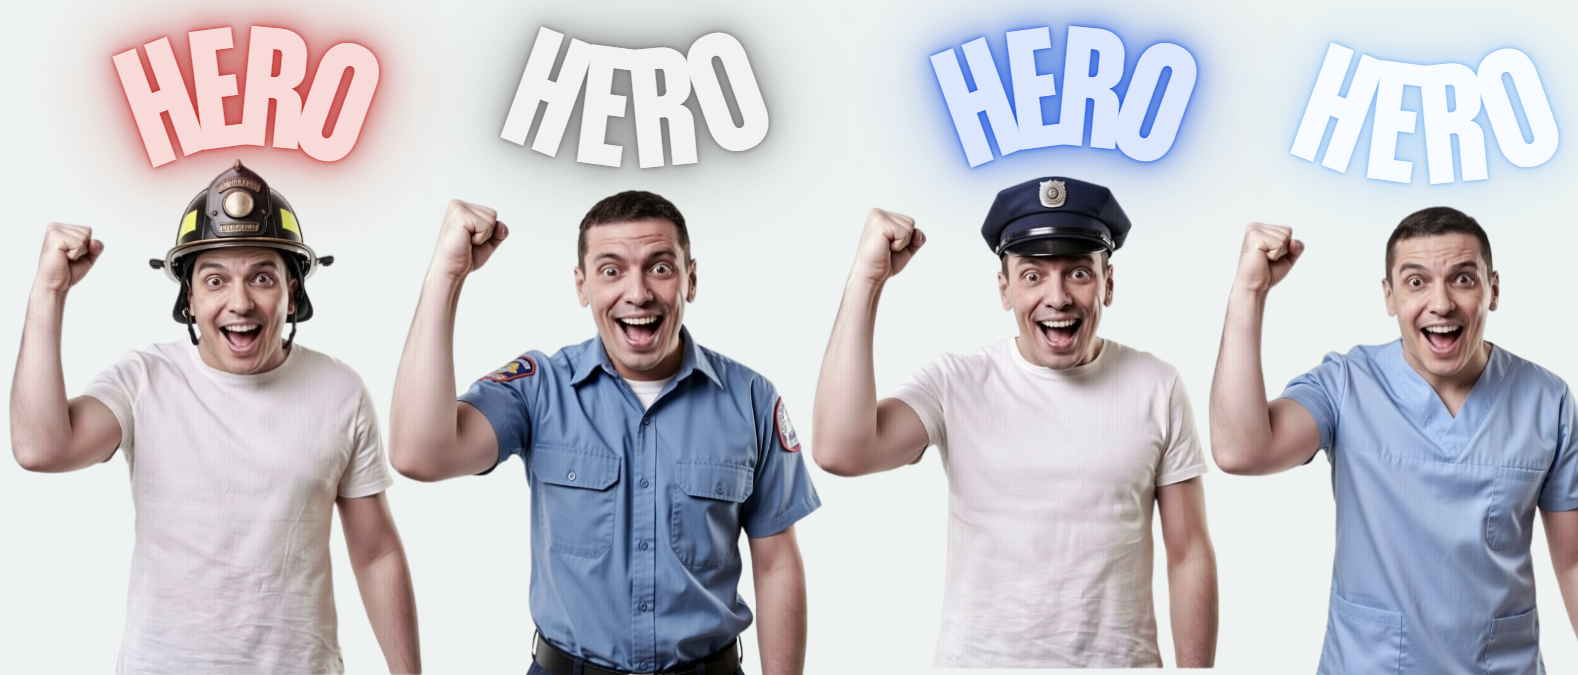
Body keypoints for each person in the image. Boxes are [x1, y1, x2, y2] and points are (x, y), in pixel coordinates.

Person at [10, 161, 420, 674]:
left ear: (293, 293)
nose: (240, 301)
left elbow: (376, 550)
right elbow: (40, 448)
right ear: (189, 298)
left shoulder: (341, 391)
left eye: (263, 277)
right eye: (215, 280)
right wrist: (48, 293)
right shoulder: (143, 381)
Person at [389, 193, 818, 675]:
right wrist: (447, 274)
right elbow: (418, 453)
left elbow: (777, 563)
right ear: (582, 285)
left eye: (660, 267)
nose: (638, 293)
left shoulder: (753, 400)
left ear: (690, 279)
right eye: (611, 270)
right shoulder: (539, 388)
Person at [812, 176, 1218, 668]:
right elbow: (840, 449)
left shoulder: (1158, 385)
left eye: (1079, 274)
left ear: (1108, 283)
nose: (1058, 297)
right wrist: (866, 280)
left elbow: (1189, 552)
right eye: (1032, 275)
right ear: (1003, 289)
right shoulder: (956, 383)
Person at [1210, 208, 1578, 673]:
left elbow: (1573, 563)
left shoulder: (1548, 400)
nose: (1440, 303)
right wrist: (1250, 291)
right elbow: (1240, 450)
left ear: (1494, 290)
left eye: (1463, 279)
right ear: (1389, 295)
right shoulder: (1345, 385)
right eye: (1416, 282)